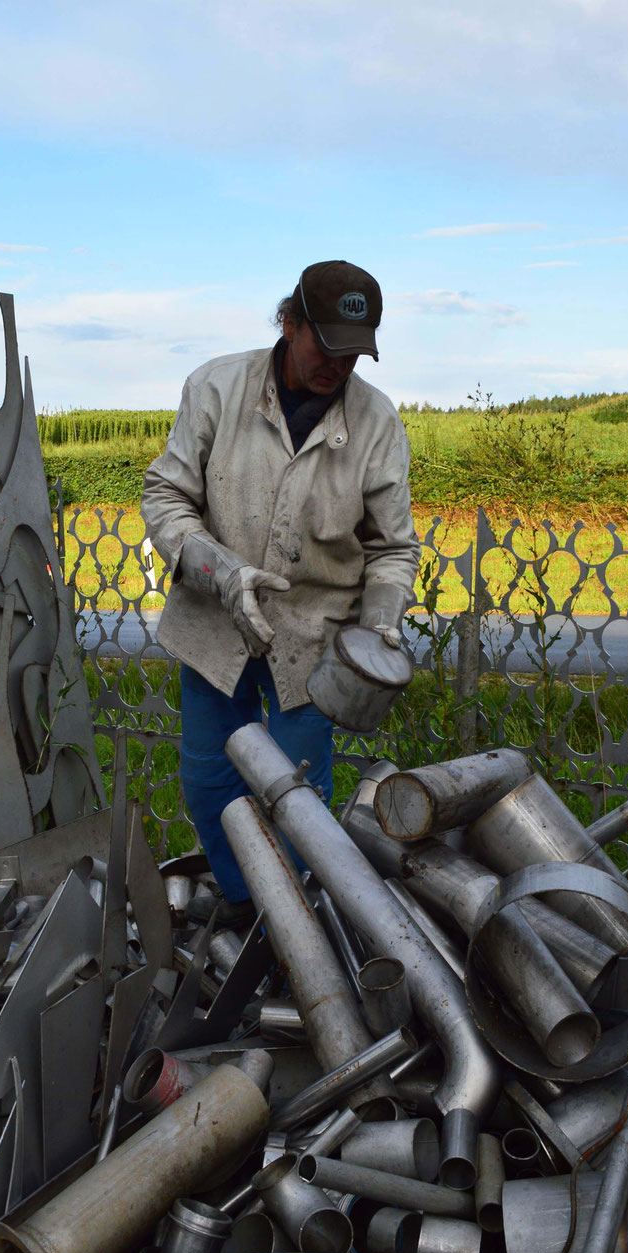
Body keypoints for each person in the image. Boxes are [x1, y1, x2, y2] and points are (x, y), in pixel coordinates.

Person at [141, 260, 420, 922]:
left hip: (313, 638)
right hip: (215, 619)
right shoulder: (215, 387)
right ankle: (247, 908)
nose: (338, 365)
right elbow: (166, 494)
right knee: (211, 784)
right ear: (289, 322)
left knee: (299, 798)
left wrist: (380, 625)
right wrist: (218, 571)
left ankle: (291, 924)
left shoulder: (377, 423)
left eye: (354, 353)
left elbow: (393, 547)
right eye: (326, 344)